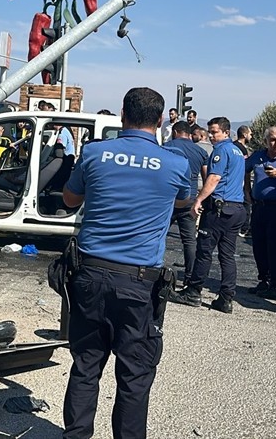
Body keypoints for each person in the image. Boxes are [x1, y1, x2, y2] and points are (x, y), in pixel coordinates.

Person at [61, 87, 189, 439]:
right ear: (161, 120)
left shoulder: (94, 152)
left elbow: (70, 199)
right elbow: (183, 201)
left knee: (86, 366)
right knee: (134, 376)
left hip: (89, 275)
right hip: (138, 284)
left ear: (122, 114)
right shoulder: (176, 163)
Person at [171, 117, 247, 314]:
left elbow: (214, 178)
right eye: (210, 132)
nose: (211, 136)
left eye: (214, 132)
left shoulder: (221, 151)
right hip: (236, 208)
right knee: (227, 255)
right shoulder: (238, 151)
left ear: (226, 133)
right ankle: (226, 297)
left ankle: (193, 291)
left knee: (204, 251)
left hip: (219, 208)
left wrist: (198, 200)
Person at [245, 126, 276, 298]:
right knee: (259, 245)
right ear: (266, 141)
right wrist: (247, 190)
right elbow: (245, 169)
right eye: (273, 139)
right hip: (259, 207)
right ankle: (264, 280)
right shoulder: (258, 157)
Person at [162, 120, 207, 284]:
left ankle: (154, 269)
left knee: (159, 234)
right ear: (189, 134)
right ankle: (189, 277)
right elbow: (206, 177)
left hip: (169, 199)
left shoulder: (166, 147)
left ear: (175, 132)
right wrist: (200, 199)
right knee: (189, 240)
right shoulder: (200, 152)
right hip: (190, 198)